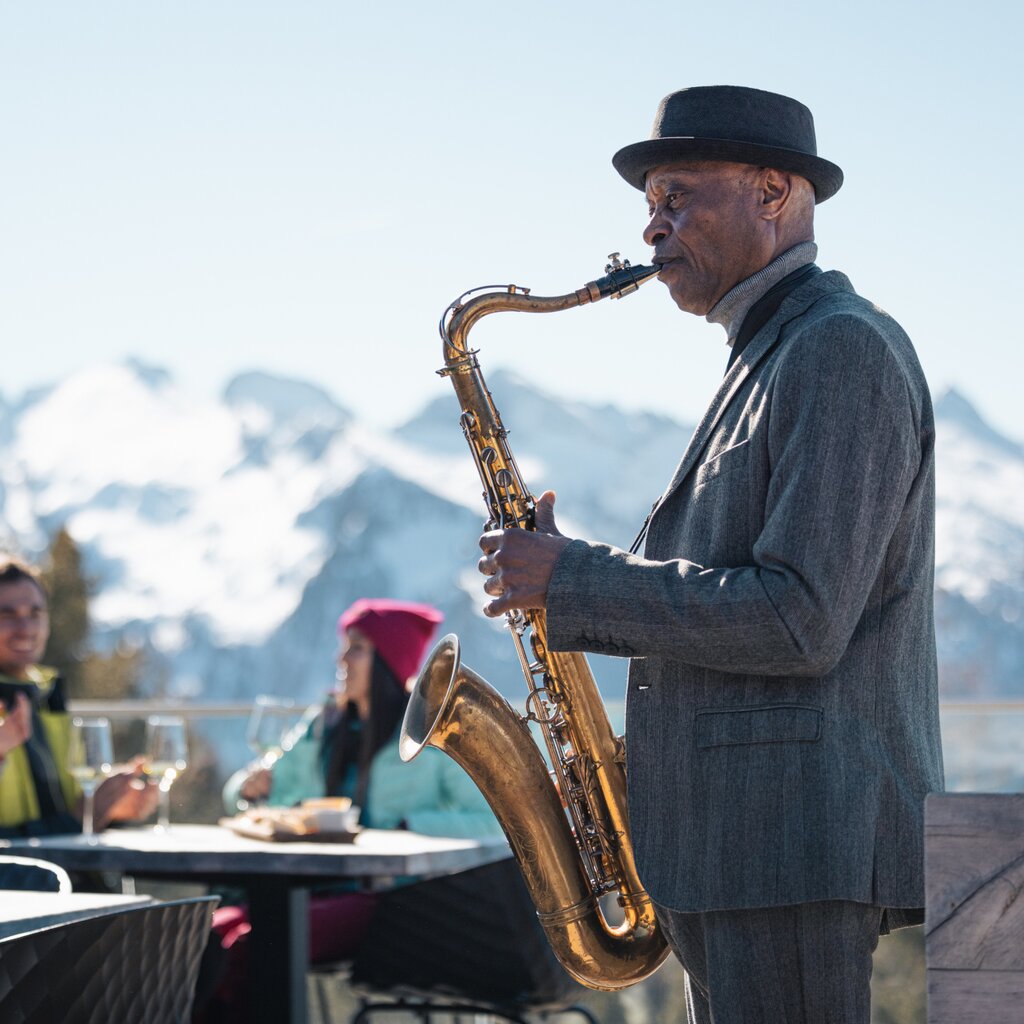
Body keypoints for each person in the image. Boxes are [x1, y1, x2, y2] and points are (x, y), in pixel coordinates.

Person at [475, 86, 943, 1024]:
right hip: (741, 847)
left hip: (787, 846)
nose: (652, 231)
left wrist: (578, 581)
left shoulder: (838, 350)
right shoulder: (772, 354)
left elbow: (799, 616)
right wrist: (580, 569)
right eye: (651, 206)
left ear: (774, 193)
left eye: (677, 197)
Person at [201, 598, 503, 1022]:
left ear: (387, 662)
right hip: (302, 887)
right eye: (344, 646)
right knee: (202, 936)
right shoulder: (322, 727)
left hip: (386, 904)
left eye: (357, 647)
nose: (341, 658)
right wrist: (249, 790)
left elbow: (495, 820)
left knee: (254, 945)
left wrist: (409, 827)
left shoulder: (429, 738)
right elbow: (256, 792)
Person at [0, 555, 158, 836]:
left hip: (63, 872)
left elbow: (67, 813)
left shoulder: (48, 695)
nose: (25, 629)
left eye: (35, 614)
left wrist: (112, 808)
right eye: (7, 615)